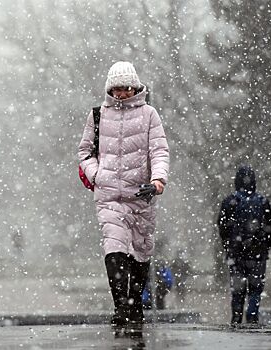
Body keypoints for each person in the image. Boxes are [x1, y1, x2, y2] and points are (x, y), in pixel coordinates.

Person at [77, 61, 169, 330]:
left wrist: (158, 180)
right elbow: (84, 152)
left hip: (141, 196)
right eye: (115, 89)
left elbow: (159, 151)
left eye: (125, 88)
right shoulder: (98, 115)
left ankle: (135, 304)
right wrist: (97, 175)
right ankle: (121, 306)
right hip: (109, 197)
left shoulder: (149, 115)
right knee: (114, 249)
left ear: (135, 87)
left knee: (140, 254)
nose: (120, 94)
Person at [217, 165, 271, 325]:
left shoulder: (229, 202)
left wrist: (230, 245)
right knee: (255, 289)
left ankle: (236, 316)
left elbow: (222, 228)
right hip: (257, 254)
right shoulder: (262, 202)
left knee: (238, 290)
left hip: (236, 254)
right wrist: (264, 245)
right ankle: (252, 315)